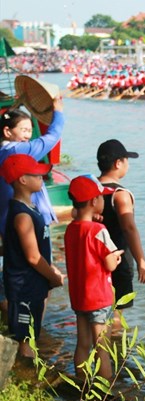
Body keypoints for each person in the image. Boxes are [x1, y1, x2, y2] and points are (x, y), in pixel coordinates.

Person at [0, 102, 64, 323]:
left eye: (30, 130)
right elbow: (52, 137)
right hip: (24, 227)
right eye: (24, 130)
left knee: (18, 271)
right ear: (7, 132)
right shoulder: (16, 152)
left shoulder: (6, 153)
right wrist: (58, 112)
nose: (28, 135)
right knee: (34, 279)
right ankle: (31, 337)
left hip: (12, 223)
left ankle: (20, 325)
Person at [1, 154, 64, 358]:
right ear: (23, 179)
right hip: (24, 285)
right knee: (25, 337)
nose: (42, 179)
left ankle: (32, 367)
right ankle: (26, 373)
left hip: (33, 283)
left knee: (33, 331)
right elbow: (33, 257)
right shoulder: (22, 216)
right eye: (37, 175)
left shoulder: (32, 208)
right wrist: (52, 276)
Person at [64, 175, 122, 381]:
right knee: (102, 348)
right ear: (93, 202)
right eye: (101, 198)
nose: (103, 201)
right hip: (99, 298)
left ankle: (81, 381)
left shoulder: (71, 229)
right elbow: (108, 264)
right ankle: (105, 391)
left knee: (82, 343)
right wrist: (116, 258)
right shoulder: (99, 230)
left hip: (79, 297)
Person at [96, 139, 145, 328]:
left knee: (97, 309)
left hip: (93, 258)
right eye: (126, 160)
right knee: (116, 311)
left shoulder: (89, 189)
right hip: (118, 260)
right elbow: (129, 228)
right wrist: (141, 261)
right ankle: (116, 350)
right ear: (118, 163)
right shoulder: (120, 194)